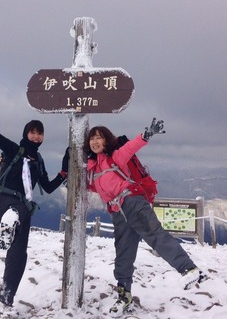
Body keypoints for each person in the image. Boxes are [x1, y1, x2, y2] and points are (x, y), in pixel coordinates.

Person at [83, 118, 207, 316]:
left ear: (107, 141)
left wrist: (145, 136)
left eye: (99, 138)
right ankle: (124, 294)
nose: (95, 141)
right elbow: (94, 186)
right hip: (118, 213)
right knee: (123, 254)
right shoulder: (93, 169)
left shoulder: (115, 157)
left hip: (132, 202)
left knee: (154, 235)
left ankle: (189, 269)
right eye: (92, 139)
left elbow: (130, 149)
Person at [0, 97, 69, 309]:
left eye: (40, 132)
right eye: (33, 131)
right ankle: (9, 220)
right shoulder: (14, 149)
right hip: (1, 198)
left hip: (22, 209)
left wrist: (64, 170)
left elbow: (48, 187)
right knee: (16, 211)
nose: (36, 135)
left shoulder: (38, 162)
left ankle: (6, 298)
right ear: (26, 133)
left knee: (19, 254)